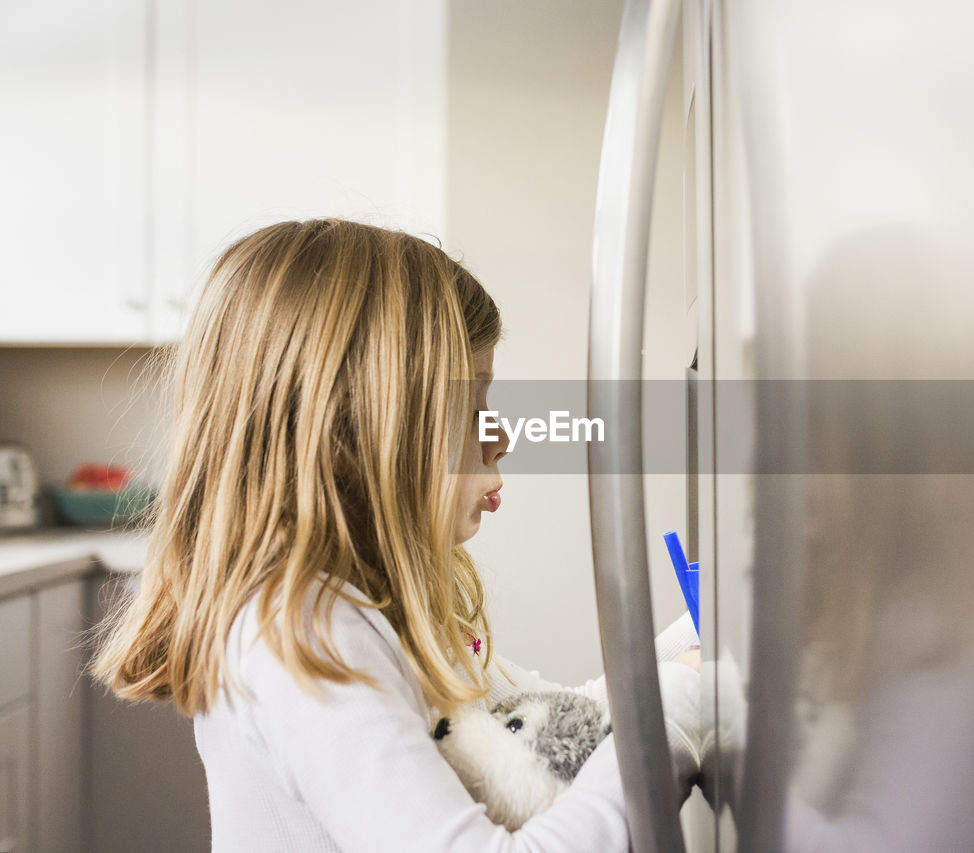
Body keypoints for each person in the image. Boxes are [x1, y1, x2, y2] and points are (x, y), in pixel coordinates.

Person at [91, 219, 702, 851]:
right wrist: (683, 706)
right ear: (353, 434)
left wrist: (706, 641)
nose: (502, 437)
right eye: (472, 411)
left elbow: (552, 727)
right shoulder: (303, 629)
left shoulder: (369, 603)